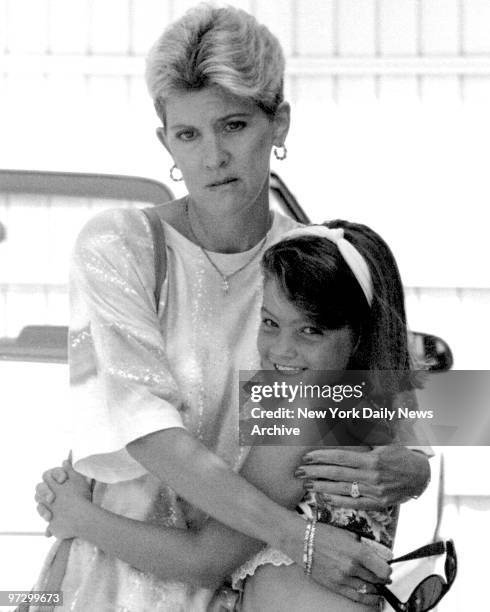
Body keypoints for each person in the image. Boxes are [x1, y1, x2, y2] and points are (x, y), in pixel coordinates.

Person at [32, 5, 430, 611]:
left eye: (235, 125)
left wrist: (416, 464)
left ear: (279, 125)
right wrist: (297, 536)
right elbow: (143, 428)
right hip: (119, 577)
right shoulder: (117, 246)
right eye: (189, 134)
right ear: (166, 141)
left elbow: (386, 404)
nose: (212, 156)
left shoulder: (308, 264)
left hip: (252, 583)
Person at [37, 219, 429, 611]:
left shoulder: (308, 411)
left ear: (358, 333)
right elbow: (452, 414)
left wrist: (77, 517)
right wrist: (419, 471)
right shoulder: (378, 400)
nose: (282, 350)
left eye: (310, 331)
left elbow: (203, 560)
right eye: (270, 323)